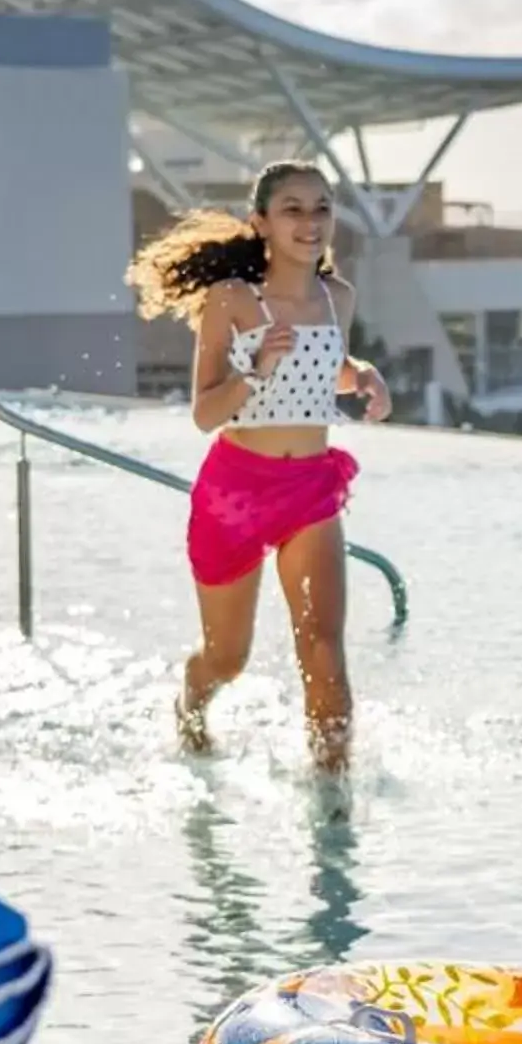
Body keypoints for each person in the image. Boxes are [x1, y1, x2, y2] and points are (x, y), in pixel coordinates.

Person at [126, 163, 391, 772]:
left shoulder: (337, 297)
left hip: (310, 489)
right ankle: (191, 702)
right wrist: (254, 372)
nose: (310, 222)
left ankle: (332, 797)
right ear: (262, 223)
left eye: (321, 208)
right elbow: (203, 412)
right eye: (293, 209)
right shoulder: (233, 301)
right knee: (228, 657)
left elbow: (330, 366)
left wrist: (365, 377)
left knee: (323, 648)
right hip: (235, 492)